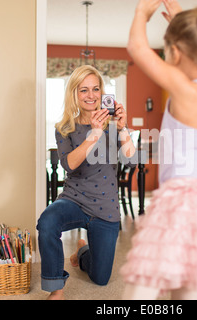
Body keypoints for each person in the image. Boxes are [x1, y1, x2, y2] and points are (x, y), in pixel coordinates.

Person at [120, 0, 197, 300]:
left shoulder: (182, 87)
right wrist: (183, 23)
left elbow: (137, 48)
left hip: (179, 200)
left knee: (142, 286)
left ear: (175, 52)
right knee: (187, 285)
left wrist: (141, 13)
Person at [37, 65, 136, 300]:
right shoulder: (64, 128)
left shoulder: (114, 124)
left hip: (106, 207)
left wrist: (123, 130)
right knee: (47, 221)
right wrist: (94, 133)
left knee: (101, 279)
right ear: (74, 93)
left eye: (95, 89)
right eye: (84, 90)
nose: (91, 95)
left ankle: (82, 251)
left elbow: (131, 163)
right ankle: (56, 289)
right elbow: (69, 164)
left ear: (102, 92)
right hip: (74, 200)